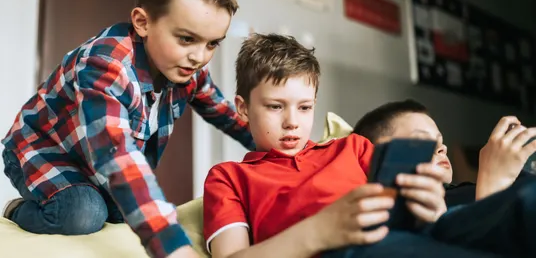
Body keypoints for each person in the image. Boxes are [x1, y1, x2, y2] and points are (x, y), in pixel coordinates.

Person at [1, 0, 254, 258]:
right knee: (83, 212)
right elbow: (117, 155)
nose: (200, 56)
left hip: (93, 165)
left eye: (212, 43)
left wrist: (282, 145)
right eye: (186, 39)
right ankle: (17, 211)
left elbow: (226, 114)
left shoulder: (188, 71)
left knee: (123, 213)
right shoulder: (105, 66)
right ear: (143, 22)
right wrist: (172, 247)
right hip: (42, 150)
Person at [202, 33, 532, 258]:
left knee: (526, 199)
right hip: (346, 251)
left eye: (304, 107)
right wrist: (320, 230)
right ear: (243, 108)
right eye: (276, 106)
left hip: (419, 234)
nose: (292, 121)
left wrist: (429, 208)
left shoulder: (353, 148)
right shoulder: (228, 177)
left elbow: (415, 216)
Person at [352, 99, 536, 206]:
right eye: (422, 140)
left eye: (440, 140)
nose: (442, 147)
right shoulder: (407, 220)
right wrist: (494, 185)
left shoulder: (460, 192)